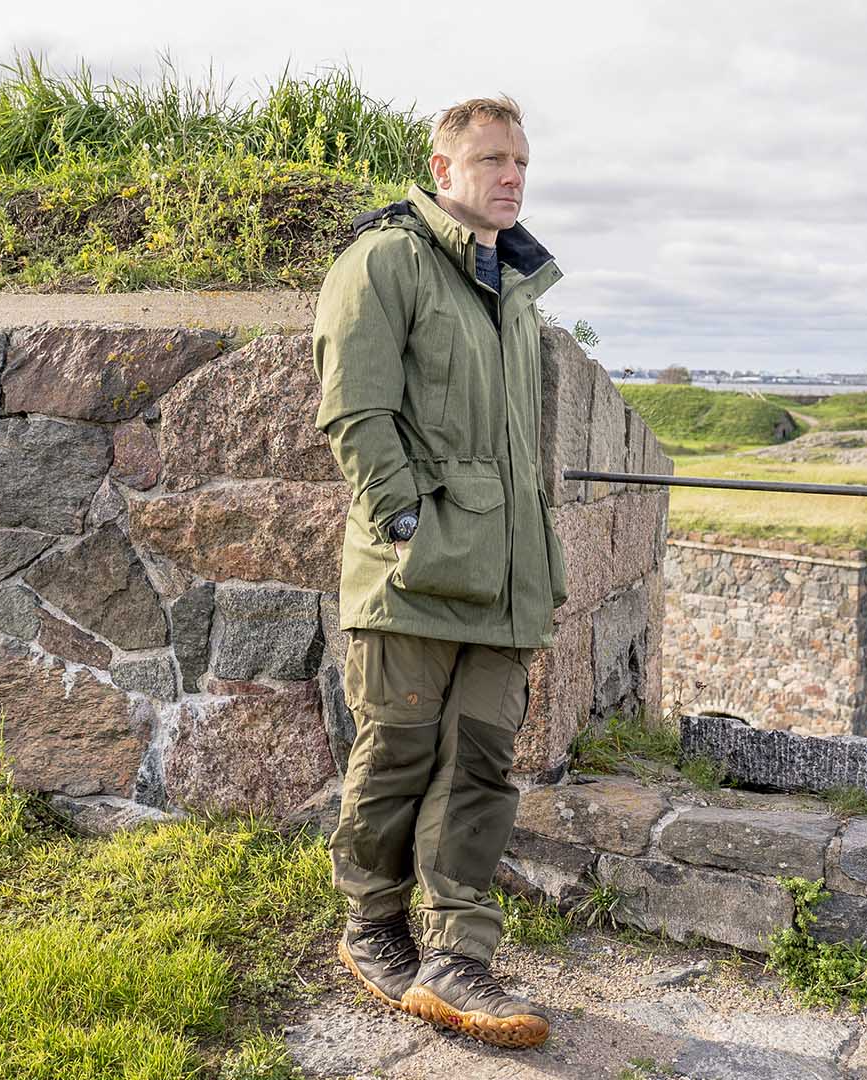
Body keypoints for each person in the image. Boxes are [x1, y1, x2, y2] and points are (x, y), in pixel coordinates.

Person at [311, 94, 569, 1051]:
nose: (512, 177)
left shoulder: (511, 286)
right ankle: (372, 928)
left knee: (483, 766)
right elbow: (355, 412)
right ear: (444, 165)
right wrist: (408, 526)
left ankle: (457, 958)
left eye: (523, 163)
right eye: (494, 159)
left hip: (506, 580)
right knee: (398, 756)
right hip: (415, 575)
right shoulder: (384, 260)